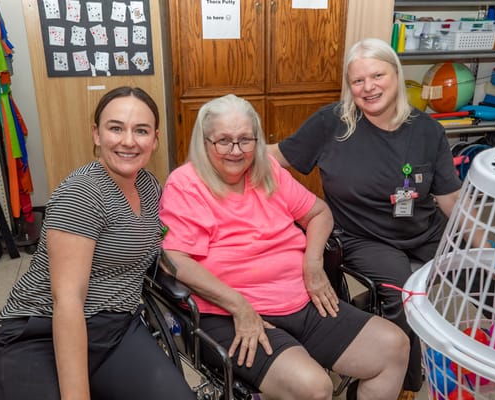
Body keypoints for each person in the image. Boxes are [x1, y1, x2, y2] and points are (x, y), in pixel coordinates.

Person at [267, 37, 488, 398]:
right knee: (405, 292)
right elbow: (280, 155)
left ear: (396, 75)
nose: (368, 87)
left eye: (377, 75)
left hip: (425, 228)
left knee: (485, 274)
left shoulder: (428, 130)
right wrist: (228, 150)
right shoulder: (331, 123)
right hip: (363, 236)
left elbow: (450, 197)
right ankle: (407, 384)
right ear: (349, 87)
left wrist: (491, 251)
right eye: (358, 81)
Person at [159, 93, 409, 400]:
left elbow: (319, 213)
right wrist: (239, 305)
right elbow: (173, 258)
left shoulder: (268, 172)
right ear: (205, 141)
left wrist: (312, 263)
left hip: (300, 300)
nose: (236, 151)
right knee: (315, 388)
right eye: (223, 141)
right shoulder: (186, 184)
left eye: (245, 140)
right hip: (228, 313)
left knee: (394, 347)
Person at [0, 86, 195, 400]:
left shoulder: (149, 186)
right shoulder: (81, 193)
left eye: (141, 131)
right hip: (40, 331)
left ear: (155, 139)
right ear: (96, 134)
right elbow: (67, 300)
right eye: (116, 128)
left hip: (116, 328)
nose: (129, 141)